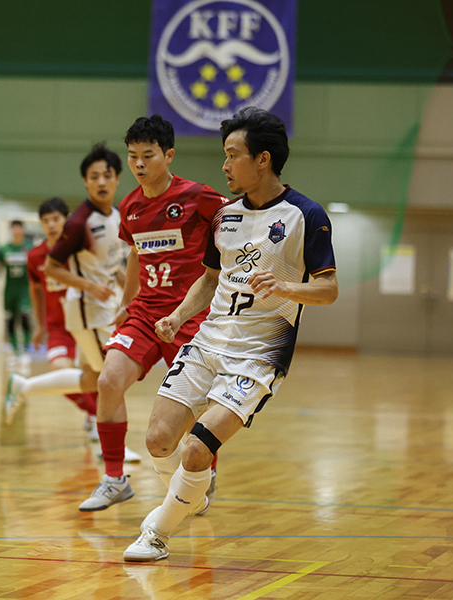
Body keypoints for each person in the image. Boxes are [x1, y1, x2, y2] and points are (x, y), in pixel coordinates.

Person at [122, 107, 338, 562]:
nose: (224, 165)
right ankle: (190, 495)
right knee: (158, 439)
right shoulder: (225, 216)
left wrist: (285, 288)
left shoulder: (306, 215)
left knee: (196, 451)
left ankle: (156, 532)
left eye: (232, 154)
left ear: (263, 159)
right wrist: (178, 316)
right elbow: (208, 280)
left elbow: (329, 289)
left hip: (259, 355)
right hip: (208, 341)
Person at [78, 114, 228, 512]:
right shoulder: (129, 206)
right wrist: (127, 302)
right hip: (145, 313)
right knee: (108, 381)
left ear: (169, 155)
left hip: (189, 316)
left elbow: (236, 228)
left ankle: (203, 473)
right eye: (133, 156)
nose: (139, 163)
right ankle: (114, 479)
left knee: (192, 407)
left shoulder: (199, 197)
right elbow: (135, 255)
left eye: (148, 155)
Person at [4, 144, 140, 462]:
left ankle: (24, 387)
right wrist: (90, 286)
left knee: (94, 379)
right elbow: (51, 268)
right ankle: (115, 449)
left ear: (118, 178)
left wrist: (133, 297)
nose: (101, 181)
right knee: (112, 378)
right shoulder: (79, 222)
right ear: (85, 181)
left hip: (104, 310)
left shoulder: (115, 216)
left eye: (107, 175)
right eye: (94, 176)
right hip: (87, 311)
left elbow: (112, 267)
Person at [26, 196, 99, 438]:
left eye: (56, 219)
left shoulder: (80, 251)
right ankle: (95, 414)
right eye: (46, 220)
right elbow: (35, 290)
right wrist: (40, 325)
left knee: (96, 374)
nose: (51, 225)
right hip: (58, 327)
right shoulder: (35, 256)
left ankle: (100, 419)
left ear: (66, 220)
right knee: (60, 372)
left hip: (86, 322)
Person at [0, 220, 33, 371]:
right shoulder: (4, 249)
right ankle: (15, 352)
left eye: (19, 228)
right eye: (14, 228)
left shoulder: (29, 248)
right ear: (11, 230)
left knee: (25, 316)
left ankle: (25, 351)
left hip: (25, 289)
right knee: (11, 320)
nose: (17, 230)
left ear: (23, 230)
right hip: (10, 290)